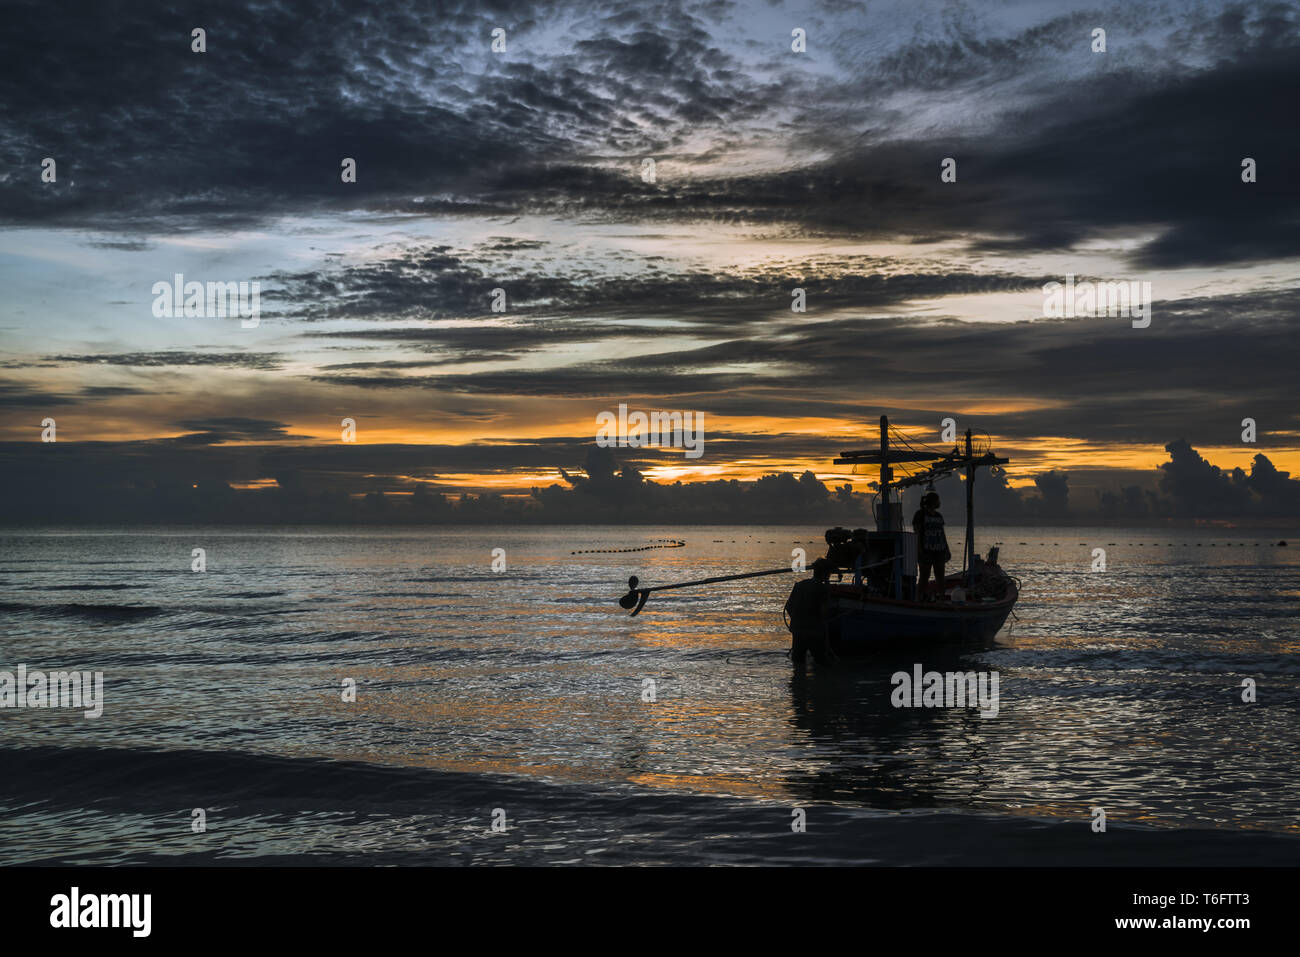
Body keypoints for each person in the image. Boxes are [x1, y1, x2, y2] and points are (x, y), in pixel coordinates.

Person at [785, 558, 836, 666]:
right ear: (827, 573)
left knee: (798, 665)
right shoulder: (823, 589)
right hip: (814, 632)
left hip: (797, 630)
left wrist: (798, 619)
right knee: (822, 665)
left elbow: (789, 607)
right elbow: (824, 612)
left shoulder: (799, 585)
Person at [912, 491, 952, 601]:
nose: (939, 502)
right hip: (925, 551)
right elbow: (917, 533)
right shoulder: (920, 514)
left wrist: (947, 549)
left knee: (940, 577)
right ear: (933, 501)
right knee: (924, 577)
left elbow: (942, 534)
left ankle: (942, 600)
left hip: (939, 551)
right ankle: (918, 598)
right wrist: (919, 550)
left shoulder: (939, 516)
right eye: (938, 500)